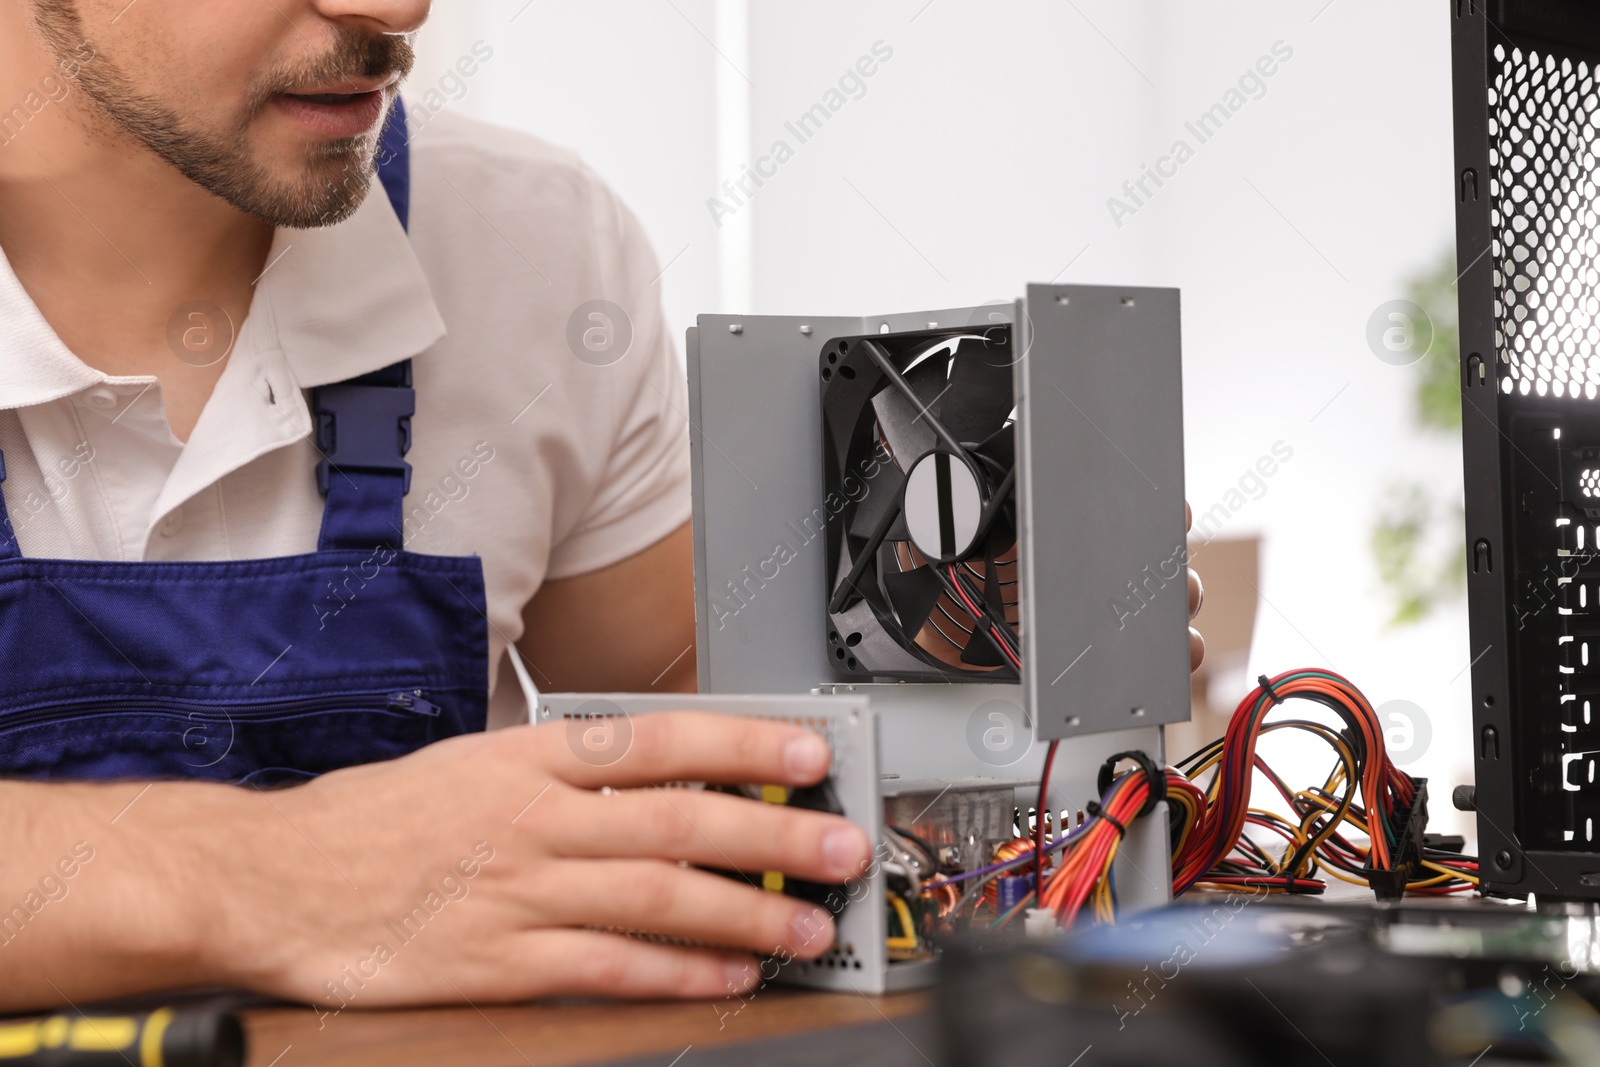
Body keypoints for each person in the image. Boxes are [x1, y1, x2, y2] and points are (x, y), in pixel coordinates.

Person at [0, 0, 1204, 1012]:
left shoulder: (532, 243)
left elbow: (739, 758)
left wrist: (1013, 660)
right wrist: (279, 876)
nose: (403, 9)